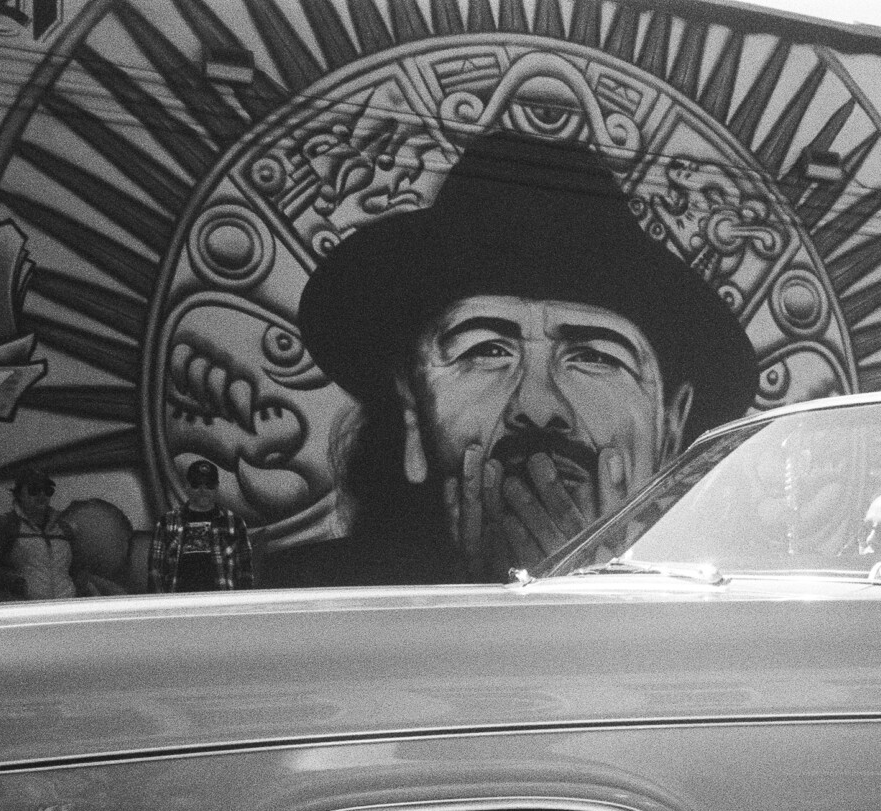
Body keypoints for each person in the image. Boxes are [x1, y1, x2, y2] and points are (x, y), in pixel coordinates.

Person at [287, 130, 758, 586]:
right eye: (487, 351)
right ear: (412, 404)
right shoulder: (312, 604)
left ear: (671, 425)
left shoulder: (713, 626)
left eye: (594, 357)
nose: (536, 408)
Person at [149, 459, 253, 592]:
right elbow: (155, 571)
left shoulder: (234, 523)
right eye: (196, 484)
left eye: (209, 484)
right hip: (178, 603)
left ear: (216, 487)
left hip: (221, 602)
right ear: (187, 486)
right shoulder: (166, 522)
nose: (203, 490)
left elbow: (245, 572)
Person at [0, 469, 79, 601]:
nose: (42, 495)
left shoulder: (64, 528)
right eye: (34, 490)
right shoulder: (6, 525)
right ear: (19, 495)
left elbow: (78, 569)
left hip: (63, 609)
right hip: (23, 612)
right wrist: (12, 582)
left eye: (47, 490)